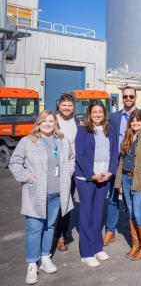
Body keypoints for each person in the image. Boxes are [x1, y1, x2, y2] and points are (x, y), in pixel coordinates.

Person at [9, 110, 74, 285]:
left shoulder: (62, 140)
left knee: (50, 226)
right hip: (36, 193)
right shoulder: (28, 141)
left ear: (55, 124)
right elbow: (14, 162)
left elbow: (70, 159)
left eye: (51, 121)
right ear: (39, 123)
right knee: (34, 228)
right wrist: (27, 177)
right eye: (44, 121)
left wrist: (67, 173)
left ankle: (45, 258)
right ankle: (32, 264)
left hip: (56, 193)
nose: (48, 124)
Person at [104, 86, 141, 246]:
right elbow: (108, 140)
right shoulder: (114, 117)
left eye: (131, 96)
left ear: (135, 97)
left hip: (137, 166)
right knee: (113, 197)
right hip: (118, 163)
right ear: (122, 97)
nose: (128, 99)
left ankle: (140, 242)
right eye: (125, 96)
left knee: (135, 206)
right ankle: (110, 230)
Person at [75, 100, 118, 267]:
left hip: (104, 177)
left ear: (104, 113)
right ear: (89, 114)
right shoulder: (83, 130)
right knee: (86, 214)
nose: (98, 115)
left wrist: (110, 171)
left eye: (100, 112)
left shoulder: (109, 129)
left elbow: (114, 151)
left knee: (98, 213)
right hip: (87, 178)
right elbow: (81, 154)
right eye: (94, 112)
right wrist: (92, 175)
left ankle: (97, 247)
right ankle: (86, 252)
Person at [115, 109, 141, 260]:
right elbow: (121, 162)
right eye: (132, 120)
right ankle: (135, 245)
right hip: (126, 179)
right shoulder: (127, 137)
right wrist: (118, 182)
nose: (135, 123)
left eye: (138, 120)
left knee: (139, 214)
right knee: (131, 212)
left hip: (140, 181)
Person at [55, 93, 80, 252]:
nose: (67, 107)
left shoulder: (76, 122)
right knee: (52, 203)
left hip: (71, 169)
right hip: (55, 169)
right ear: (59, 105)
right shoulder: (53, 120)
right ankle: (50, 234)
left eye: (70, 105)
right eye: (64, 104)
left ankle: (61, 235)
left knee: (66, 202)